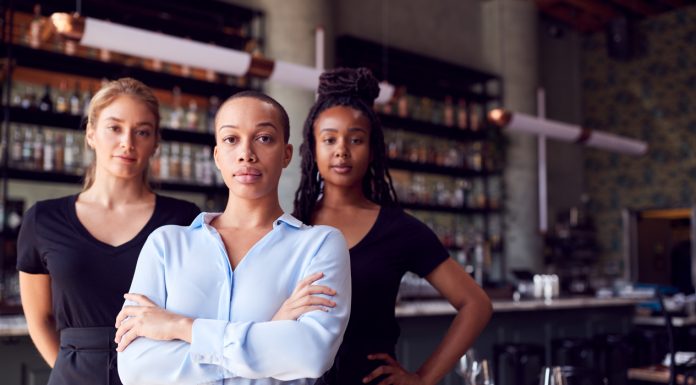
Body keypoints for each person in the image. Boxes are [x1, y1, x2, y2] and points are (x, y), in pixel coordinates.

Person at [115, 91, 351, 385]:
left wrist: (180, 327)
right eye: (231, 139)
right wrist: (269, 333)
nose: (246, 154)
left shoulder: (320, 245)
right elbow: (135, 368)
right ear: (217, 156)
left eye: (264, 138)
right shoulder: (166, 245)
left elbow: (311, 354)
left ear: (287, 154)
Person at [293, 67, 493, 385]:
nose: (342, 149)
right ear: (312, 150)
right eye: (329, 139)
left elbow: (476, 304)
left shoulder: (399, 229)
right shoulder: (293, 226)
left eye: (355, 139)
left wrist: (424, 378)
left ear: (372, 151)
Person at [17, 77, 201, 385]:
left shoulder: (184, 218)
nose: (127, 142)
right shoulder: (43, 220)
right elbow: (40, 319)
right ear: (91, 133)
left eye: (142, 132)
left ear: (155, 141)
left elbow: (202, 308)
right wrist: (70, 372)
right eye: (114, 128)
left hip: (159, 376)